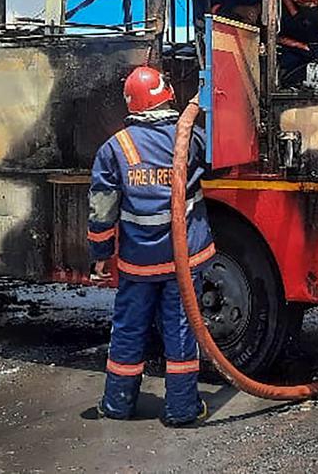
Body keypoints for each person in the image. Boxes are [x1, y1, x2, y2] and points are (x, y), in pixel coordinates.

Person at [88, 66, 215, 427]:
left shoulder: (115, 148)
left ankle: (117, 403)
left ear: (132, 103)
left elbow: (102, 211)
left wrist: (100, 256)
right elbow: (219, 156)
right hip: (183, 258)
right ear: (166, 95)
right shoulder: (189, 137)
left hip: (138, 262)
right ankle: (181, 409)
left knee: (128, 330)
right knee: (180, 330)